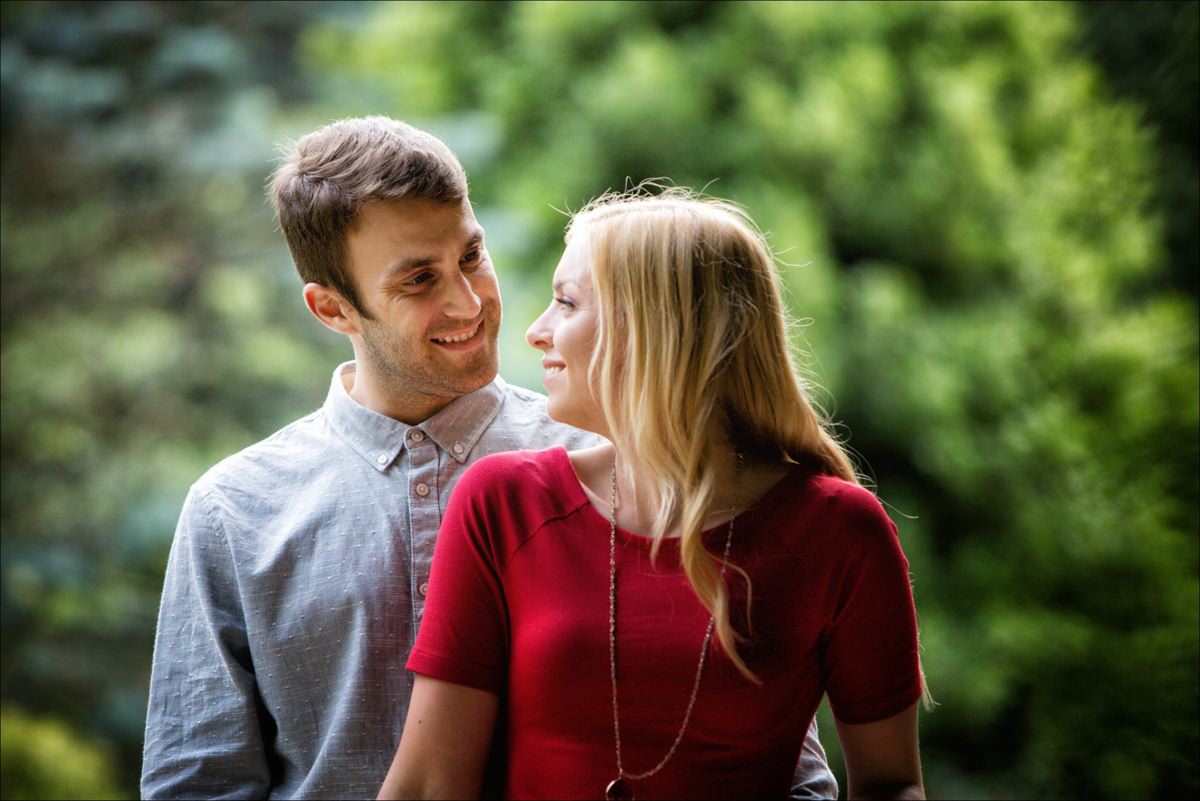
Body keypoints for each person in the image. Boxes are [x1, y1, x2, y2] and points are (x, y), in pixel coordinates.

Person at [140, 117, 837, 800]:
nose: (469, 303)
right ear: (332, 310)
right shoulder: (232, 511)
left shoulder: (625, 466)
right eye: (418, 280)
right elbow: (197, 784)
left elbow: (782, 763)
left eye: (472, 256)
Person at [378, 188, 927, 800]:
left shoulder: (839, 530)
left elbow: (890, 783)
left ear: (654, 329)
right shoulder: (503, 503)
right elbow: (428, 785)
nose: (536, 332)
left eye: (566, 303)